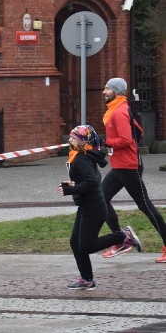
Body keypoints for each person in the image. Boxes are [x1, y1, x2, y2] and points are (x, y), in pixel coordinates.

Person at [58, 125, 141, 289]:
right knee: (75, 244)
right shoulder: (82, 156)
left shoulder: (82, 159)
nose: (69, 140)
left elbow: (92, 182)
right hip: (86, 206)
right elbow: (90, 180)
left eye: (73, 138)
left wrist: (71, 189)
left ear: (83, 141)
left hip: (94, 208)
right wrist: (74, 184)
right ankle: (87, 280)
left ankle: (123, 236)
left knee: (86, 246)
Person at [98, 77, 166, 262]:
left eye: (107, 89)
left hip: (129, 166)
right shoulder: (116, 109)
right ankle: (122, 240)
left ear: (116, 92)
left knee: (145, 205)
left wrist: (105, 142)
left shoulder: (119, 112)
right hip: (119, 166)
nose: (104, 92)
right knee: (101, 200)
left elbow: (126, 140)